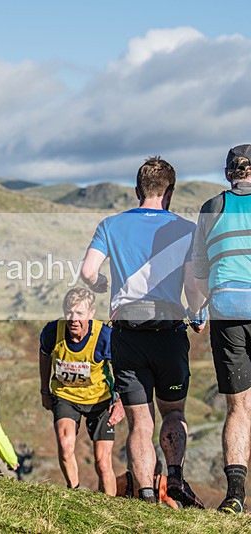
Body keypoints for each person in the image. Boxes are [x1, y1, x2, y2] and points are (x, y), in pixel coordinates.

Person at [80, 156, 204, 507]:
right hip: (168, 332)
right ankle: (175, 477)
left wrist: (99, 284)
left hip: (127, 333)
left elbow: (88, 272)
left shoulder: (111, 225)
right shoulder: (186, 229)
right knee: (174, 413)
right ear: (170, 191)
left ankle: (147, 495)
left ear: (137, 190)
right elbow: (193, 285)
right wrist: (197, 313)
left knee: (140, 422)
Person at [191, 144, 251, 514]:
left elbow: (200, 273)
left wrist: (200, 305)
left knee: (238, 407)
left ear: (229, 173)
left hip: (227, 309)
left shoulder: (211, 207)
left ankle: (234, 497)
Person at [38, 287, 124, 494]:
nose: (73, 319)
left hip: (100, 400)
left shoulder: (104, 336)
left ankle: (109, 506)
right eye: (69, 312)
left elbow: (123, 368)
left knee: (103, 462)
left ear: (91, 313)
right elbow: (44, 355)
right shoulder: (53, 332)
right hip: (65, 396)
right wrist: (44, 391)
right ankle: (74, 492)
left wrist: (120, 401)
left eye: (79, 313)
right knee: (65, 444)